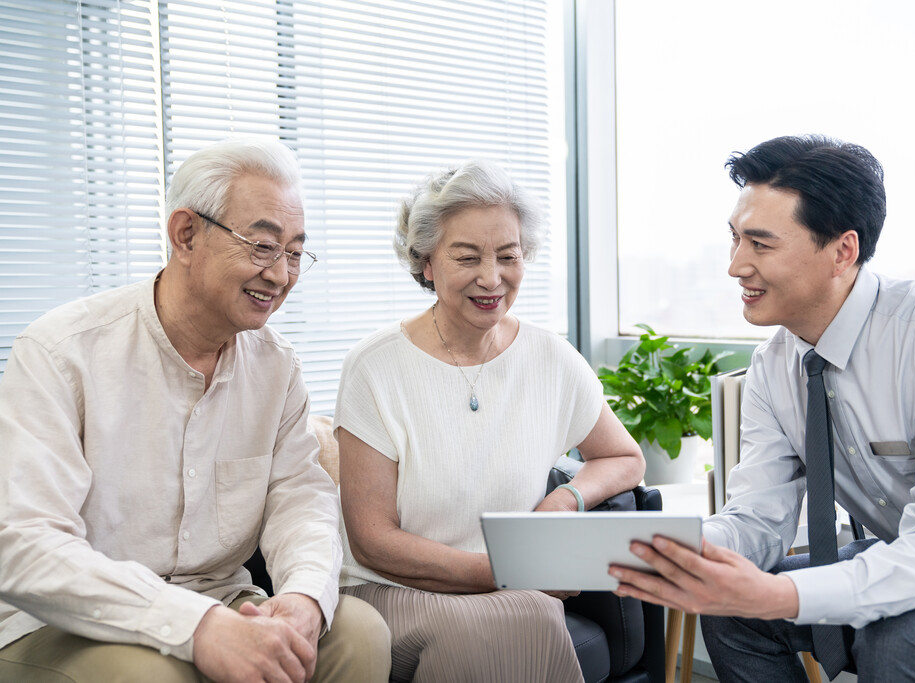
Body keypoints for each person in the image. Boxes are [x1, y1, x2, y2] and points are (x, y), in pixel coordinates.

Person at [610, 135, 915, 682]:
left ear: (842, 251)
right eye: (734, 240)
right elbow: (760, 516)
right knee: (733, 612)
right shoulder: (773, 366)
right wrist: (681, 550)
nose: (736, 266)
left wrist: (779, 592)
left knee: (903, 645)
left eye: (760, 244)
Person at [0, 137, 390, 683]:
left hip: (223, 601)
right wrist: (198, 626)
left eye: (295, 253)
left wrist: (303, 596)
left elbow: (300, 501)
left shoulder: (277, 367)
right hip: (69, 623)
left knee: (358, 634)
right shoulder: (62, 352)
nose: (280, 276)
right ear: (186, 234)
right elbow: (24, 545)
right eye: (262, 246)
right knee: (151, 677)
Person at [333, 159, 645, 683]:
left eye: (508, 256)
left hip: (513, 589)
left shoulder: (550, 357)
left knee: (524, 616)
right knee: (525, 617)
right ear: (426, 262)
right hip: (392, 589)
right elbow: (372, 540)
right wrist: (504, 572)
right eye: (467, 257)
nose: (491, 277)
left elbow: (622, 456)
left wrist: (562, 501)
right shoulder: (375, 366)